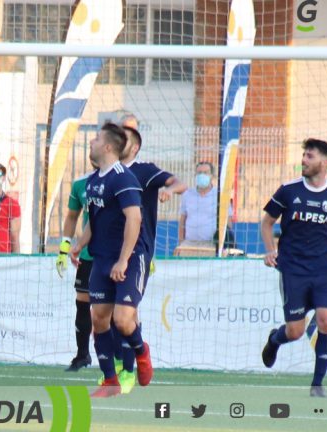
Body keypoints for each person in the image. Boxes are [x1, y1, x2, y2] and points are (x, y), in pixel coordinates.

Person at [69, 123, 153, 398]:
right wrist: (79, 244)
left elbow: (135, 218)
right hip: (102, 258)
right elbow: (96, 219)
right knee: (100, 320)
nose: (90, 143)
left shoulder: (123, 178)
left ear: (107, 147)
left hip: (128, 258)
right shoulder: (93, 180)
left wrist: (123, 261)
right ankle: (110, 381)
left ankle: (141, 351)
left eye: (95, 139)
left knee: (124, 321)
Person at [105, 124, 186, 393]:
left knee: (124, 317)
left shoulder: (145, 170)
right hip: (107, 252)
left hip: (137, 251)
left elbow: (179, 182)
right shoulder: (106, 174)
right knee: (109, 318)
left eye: (123, 138)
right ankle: (122, 367)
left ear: (134, 146)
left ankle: (134, 362)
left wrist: (168, 191)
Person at [260, 139, 327, 398]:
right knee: (295, 331)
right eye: (303, 155)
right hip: (293, 269)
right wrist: (270, 250)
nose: (303, 160)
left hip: (325, 269)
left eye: (309, 156)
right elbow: (267, 222)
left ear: (324, 163)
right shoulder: (288, 190)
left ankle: (317, 384)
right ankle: (275, 340)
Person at [55, 166, 96, 373]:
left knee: (115, 310)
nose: (92, 148)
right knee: (82, 303)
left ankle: (121, 360)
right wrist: (64, 247)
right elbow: (72, 216)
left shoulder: (122, 179)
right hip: (87, 255)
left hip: (114, 256)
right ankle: (82, 355)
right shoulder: (81, 183)